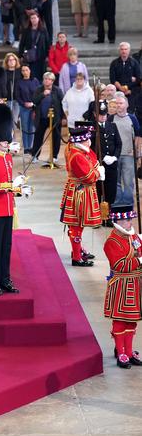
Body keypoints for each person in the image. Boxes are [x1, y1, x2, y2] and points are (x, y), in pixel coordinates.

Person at [0, 66, 30, 296]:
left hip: (8, 208)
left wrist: (20, 187)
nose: (5, 142)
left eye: (6, 139)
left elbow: (10, 183)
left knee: (7, 247)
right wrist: (12, 186)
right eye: (2, 140)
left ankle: (6, 279)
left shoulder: (8, 159)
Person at [103, 205, 142, 368]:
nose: (130, 223)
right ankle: (121, 352)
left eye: (130, 219)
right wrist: (139, 259)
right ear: (117, 222)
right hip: (121, 286)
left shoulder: (132, 237)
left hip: (135, 284)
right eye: (127, 220)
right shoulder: (111, 242)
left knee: (132, 322)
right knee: (120, 322)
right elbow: (119, 265)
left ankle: (129, 350)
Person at [59, 123, 103, 266]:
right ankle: (76, 256)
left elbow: (92, 158)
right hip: (80, 193)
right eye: (86, 140)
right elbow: (89, 176)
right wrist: (98, 172)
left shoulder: (75, 149)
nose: (89, 142)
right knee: (77, 225)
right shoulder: (77, 155)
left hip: (78, 190)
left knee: (78, 225)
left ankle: (78, 250)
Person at [111, 93, 141, 207]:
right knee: (116, 180)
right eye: (117, 103)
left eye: (121, 103)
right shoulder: (111, 118)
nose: (118, 105)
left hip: (128, 154)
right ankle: (117, 202)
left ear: (127, 104)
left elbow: (138, 135)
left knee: (128, 181)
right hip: (115, 155)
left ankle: (128, 203)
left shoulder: (132, 118)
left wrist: (136, 151)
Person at [93, 101, 121, 216]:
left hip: (112, 165)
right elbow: (91, 147)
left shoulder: (112, 126)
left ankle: (108, 215)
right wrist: (103, 157)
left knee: (111, 190)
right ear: (95, 114)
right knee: (99, 190)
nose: (103, 117)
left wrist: (115, 157)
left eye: (105, 114)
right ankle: (97, 216)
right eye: (100, 114)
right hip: (100, 165)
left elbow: (119, 143)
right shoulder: (92, 128)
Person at [31, 72, 63, 163]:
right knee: (38, 136)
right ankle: (35, 155)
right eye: (45, 79)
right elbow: (34, 101)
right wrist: (43, 94)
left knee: (56, 137)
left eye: (48, 79)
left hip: (55, 118)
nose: (46, 81)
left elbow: (62, 103)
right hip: (42, 117)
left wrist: (63, 117)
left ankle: (54, 156)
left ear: (52, 81)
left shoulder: (57, 90)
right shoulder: (38, 90)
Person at [18, 12, 49, 81]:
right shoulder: (26, 31)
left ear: (38, 19)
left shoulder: (43, 30)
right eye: (32, 18)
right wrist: (20, 55)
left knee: (40, 75)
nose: (33, 20)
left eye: (35, 18)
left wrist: (47, 55)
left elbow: (47, 43)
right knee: (31, 74)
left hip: (40, 55)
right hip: (30, 57)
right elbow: (22, 44)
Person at [15, 64, 39, 153]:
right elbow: (17, 96)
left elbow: (38, 93)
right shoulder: (19, 82)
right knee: (25, 128)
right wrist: (24, 103)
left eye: (26, 70)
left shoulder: (35, 81)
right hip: (23, 107)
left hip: (33, 107)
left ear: (30, 71)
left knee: (32, 127)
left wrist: (33, 103)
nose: (25, 72)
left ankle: (32, 146)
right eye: (23, 70)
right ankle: (26, 147)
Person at [110, 42, 141, 109]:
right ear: (119, 50)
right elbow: (113, 79)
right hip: (118, 93)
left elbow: (138, 79)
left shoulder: (134, 63)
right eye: (122, 49)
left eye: (125, 49)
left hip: (131, 93)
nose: (124, 51)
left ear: (129, 50)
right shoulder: (114, 63)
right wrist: (121, 88)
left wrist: (130, 90)